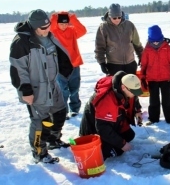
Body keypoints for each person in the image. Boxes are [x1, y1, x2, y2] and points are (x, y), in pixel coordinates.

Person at [9, 9, 72, 164]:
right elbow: (18, 69)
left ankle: (53, 140)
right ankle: (39, 152)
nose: (47, 30)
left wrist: (65, 65)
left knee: (60, 113)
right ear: (33, 27)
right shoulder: (21, 42)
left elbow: (58, 52)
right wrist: (25, 90)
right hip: (35, 89)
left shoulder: (49, 36)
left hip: (52, 84)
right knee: (41, 122)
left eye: (48, 26)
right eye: (43, 28)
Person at [79, 71, 143, 160]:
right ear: (123, 87)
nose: (135, 94)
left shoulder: (125, 87)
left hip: (112, 122)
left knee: (129, 135)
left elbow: (134, 98)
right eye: (133, 92)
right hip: (94, 128)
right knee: (115, 150)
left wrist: (137, 111)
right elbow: (102, 128)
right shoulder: (108, 100)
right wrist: (122, 144)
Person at [50, 11, 87, 119]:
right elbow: (50, 28)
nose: (64, 26)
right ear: (57, 23)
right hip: (59, 67)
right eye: (61, 23)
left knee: (74, 89)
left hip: (74, 65)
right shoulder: (53, 33)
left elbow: (83, 30)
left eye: (66, 23)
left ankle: (75, 109)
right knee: (62, 91)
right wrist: (53, 17)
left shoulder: (72, 31)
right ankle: (64, 111)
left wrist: (73, 18)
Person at [140, 25, 170, 127]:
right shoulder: (147, 50)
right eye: (154, 41)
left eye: (158, 40)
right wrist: (143, 77)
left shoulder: (167, 48)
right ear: (150, 40)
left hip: (166, 79)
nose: (156, 43)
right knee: (153, 100)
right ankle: (153, 118)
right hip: (152, 79)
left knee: (167, 100)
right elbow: (143, 64)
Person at [94, 3, 144, 76]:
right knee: (117, 87)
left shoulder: (129, 25)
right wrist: (102, 63)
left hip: (130, 64)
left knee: (131, 86)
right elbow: (99, 48)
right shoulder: (103, 27)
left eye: (119, 17)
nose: (117, 20)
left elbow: (137, 43)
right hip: (114, 65)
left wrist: (141, 56)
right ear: (109, 16)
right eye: (114, 18)